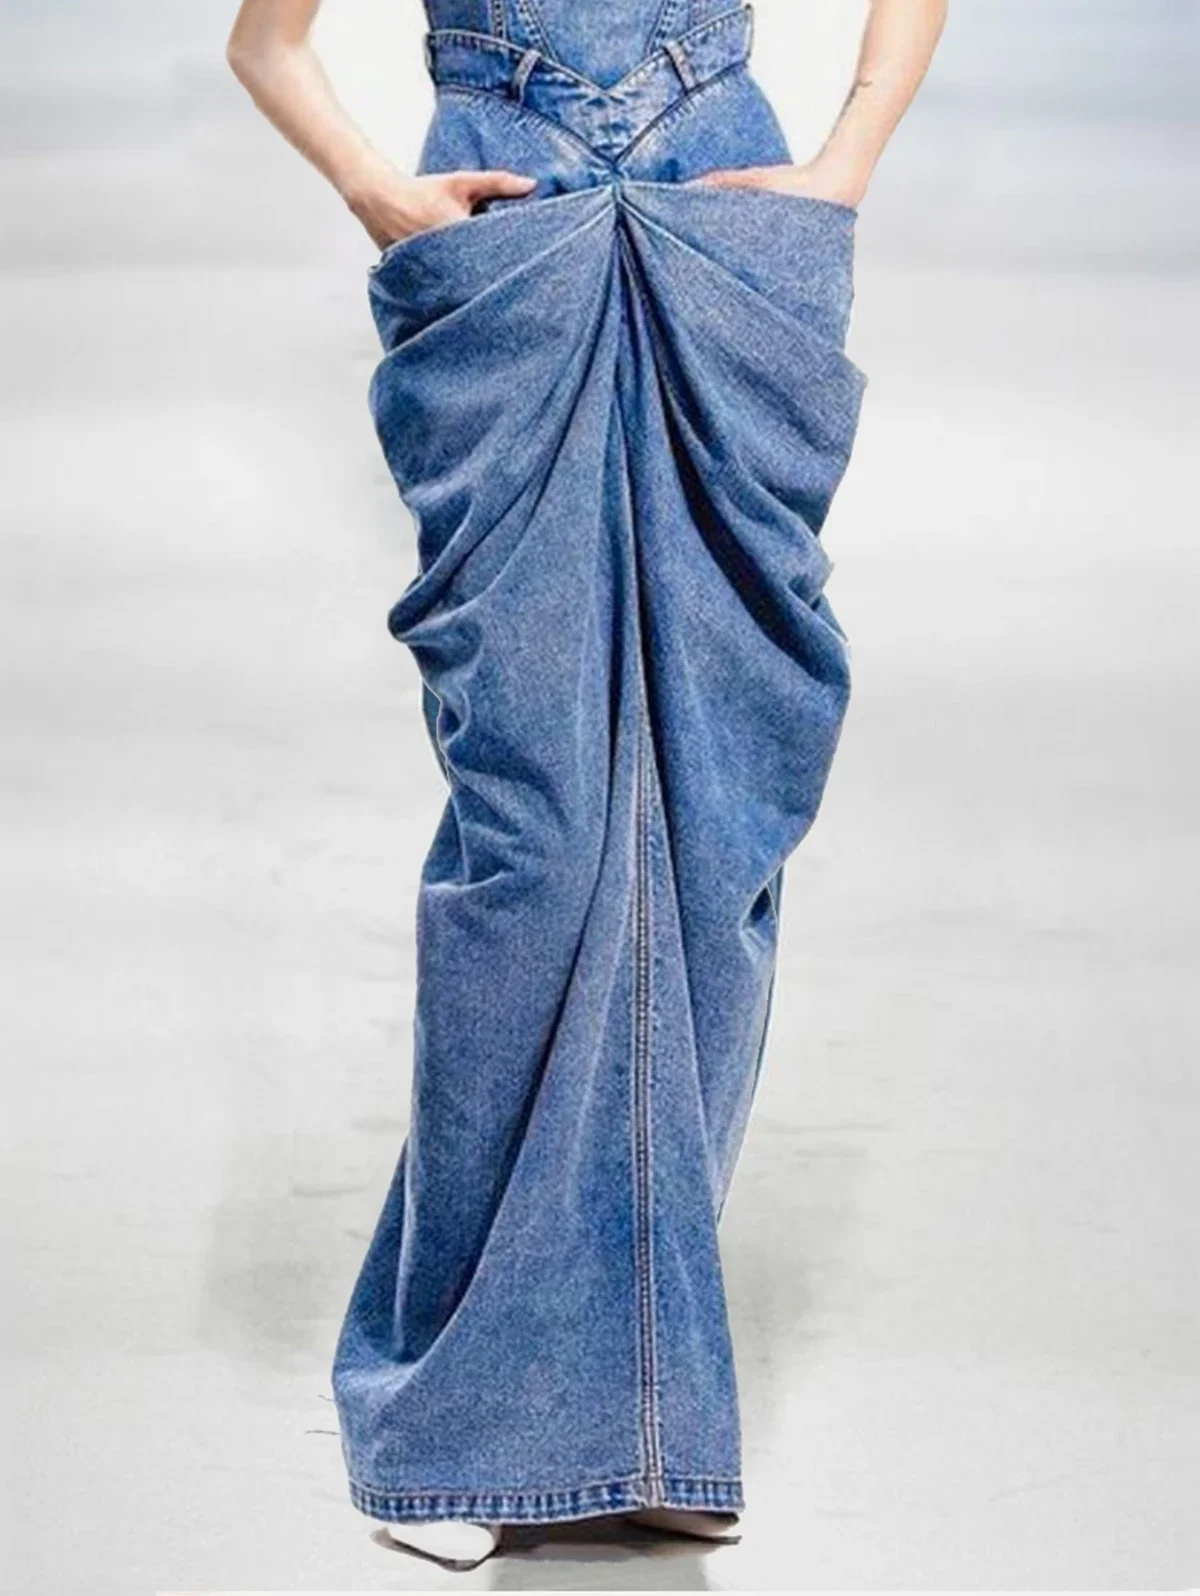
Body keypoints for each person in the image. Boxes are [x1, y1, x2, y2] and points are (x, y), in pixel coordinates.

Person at [227, 0, 948, 1572]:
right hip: (510, 229)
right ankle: (455, 1424)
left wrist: (848, 157)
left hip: (723, 213)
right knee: (534, 843)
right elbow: (264, 41)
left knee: (716, 819)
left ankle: (640, 1414)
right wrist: (372, 186)